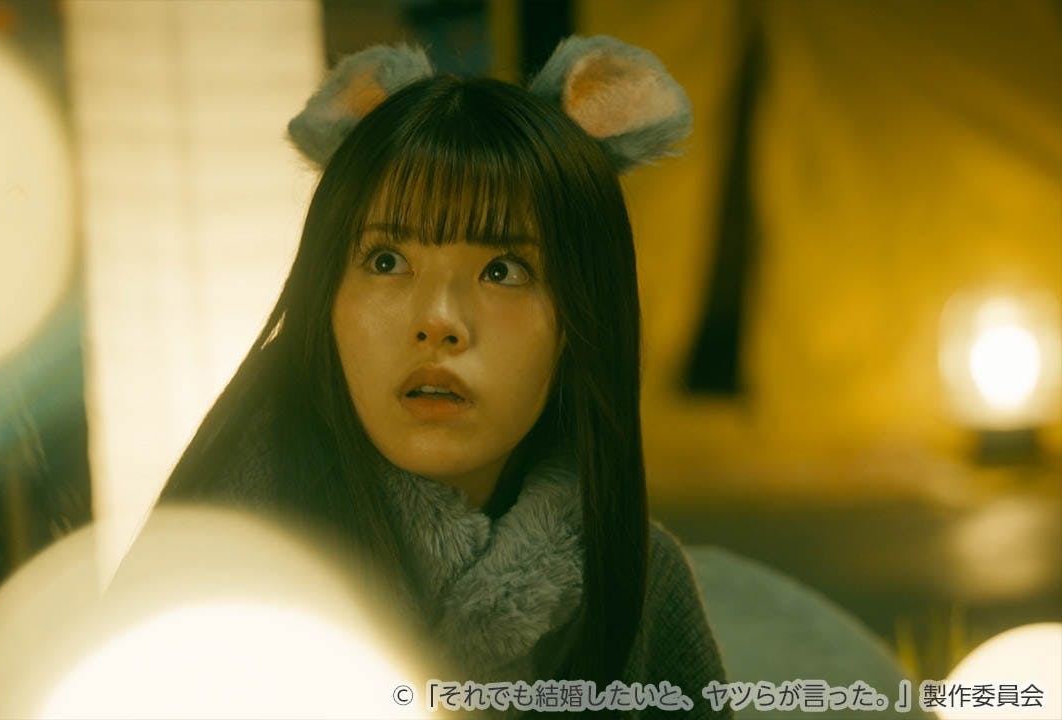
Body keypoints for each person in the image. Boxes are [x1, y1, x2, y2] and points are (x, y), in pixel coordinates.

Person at [159, 35, 731, 718]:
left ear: (581, 319)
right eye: (386, 261)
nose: (438, 321)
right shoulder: (211, 572)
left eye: (504, 271)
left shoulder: (634, 577)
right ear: (324, 297)